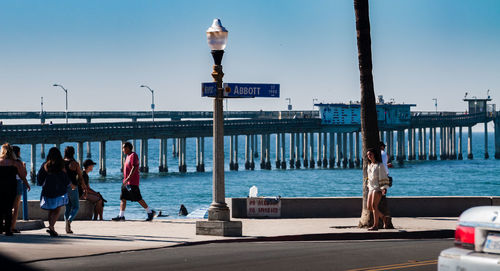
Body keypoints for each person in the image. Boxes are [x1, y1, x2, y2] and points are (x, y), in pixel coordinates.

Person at [112, 142, 155, 221]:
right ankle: (121, 216)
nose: (122, 150)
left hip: (132, 182)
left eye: (123, 148)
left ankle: (150, 212)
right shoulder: (127, 156)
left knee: (138, 198)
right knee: (123, 198)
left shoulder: (133, 155)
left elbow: (134, 166)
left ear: (128, 148)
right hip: (126, 182)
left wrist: (128, 178)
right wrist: (126, 179)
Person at [38, 147, 70, 237]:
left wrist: (40, 184)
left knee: (51, 210)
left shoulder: (45, 165)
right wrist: (68, 183)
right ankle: (51, 226)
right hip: (59, 190)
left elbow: (40, 177)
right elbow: (65, 178)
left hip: (48, 190)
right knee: (57, 209)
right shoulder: (61, 165)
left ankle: (51, 227)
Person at [0, 143, 29, 236]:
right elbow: (22, 176)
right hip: (11, 187)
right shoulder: (16, 163)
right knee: (9, 207)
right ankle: (8, 230)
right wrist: (27, 184)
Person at [63, 146, 87, 234]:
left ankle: (67, 228)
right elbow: (80, 177)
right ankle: (69, 220)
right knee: (76, 206)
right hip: (73, 187)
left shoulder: (61, 163)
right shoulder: (74, 164)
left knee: (68, 207)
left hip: (63, 187)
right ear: (73, 153)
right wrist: (84, 187)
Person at [366, 148, 390, 231]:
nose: (369, 156)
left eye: (370, 154)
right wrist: (368, 185)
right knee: (369, 207)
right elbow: (369, 177)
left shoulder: (380, 165)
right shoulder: (369, 165)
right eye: (368, 155)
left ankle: (375, 225)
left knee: (374, 206)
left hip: (378, 187)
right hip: (371, 187)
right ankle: (384, 218)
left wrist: (384, 188)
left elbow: (384, 176)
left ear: (374, 155)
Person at [11, 146, 31, 233]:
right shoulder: (18, 162)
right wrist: (24, 167)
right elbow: (23, 175)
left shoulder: (6, 162)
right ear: (18, 153)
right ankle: (12, 226)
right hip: (18, 184)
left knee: (7, 206)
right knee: (15, 207)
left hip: (7, 184)